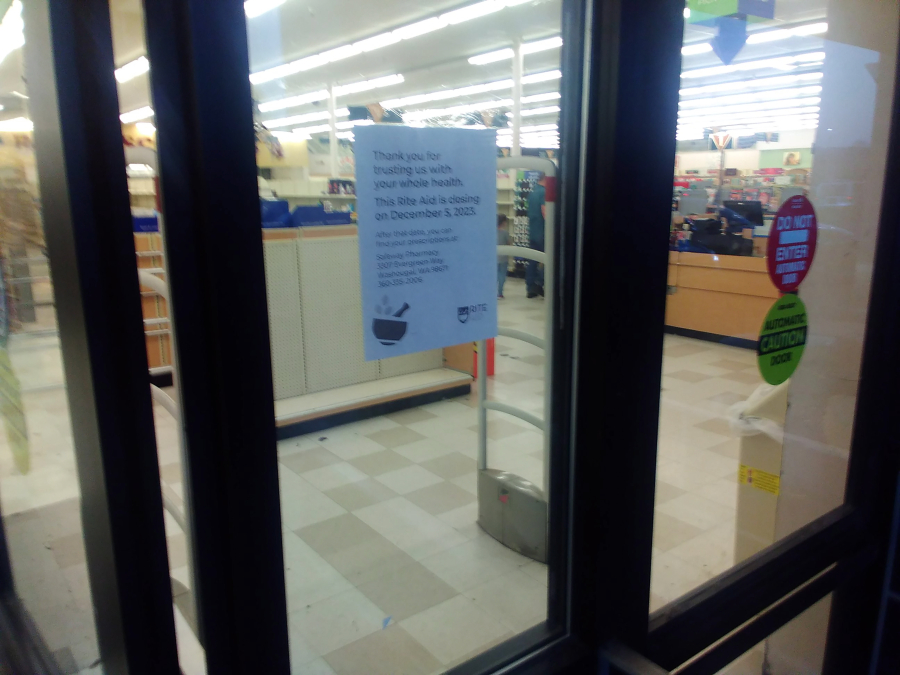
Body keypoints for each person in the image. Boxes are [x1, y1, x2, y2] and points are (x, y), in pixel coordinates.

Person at [525, 174, 546, 298]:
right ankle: (539, 283)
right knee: (548, 260)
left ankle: (530, 288)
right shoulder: (544, 192)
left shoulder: (532, 193)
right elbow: (545, 212)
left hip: (533, 231)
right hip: (543, 232)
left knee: (532, 260)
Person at [497, 214, 510, 298]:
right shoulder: (505, 233)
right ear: (504, 222)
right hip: (504, 258)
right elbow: (509, 243)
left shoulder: (492, 232)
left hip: (494, 258)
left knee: (495, 275)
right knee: (502, 275)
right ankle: (500, 292)